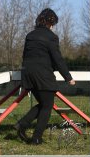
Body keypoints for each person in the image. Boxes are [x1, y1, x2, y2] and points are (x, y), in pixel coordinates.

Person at [14, 8, 75, 145]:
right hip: (43, 75)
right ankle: (36, 138)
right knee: (47, 106)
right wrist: (68, 77)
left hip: (28, 73)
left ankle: (21, 125)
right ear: (51, 23)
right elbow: (57, 59)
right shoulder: (51, 37)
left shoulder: (30, 35)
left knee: (43, 103)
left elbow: (26, 55)